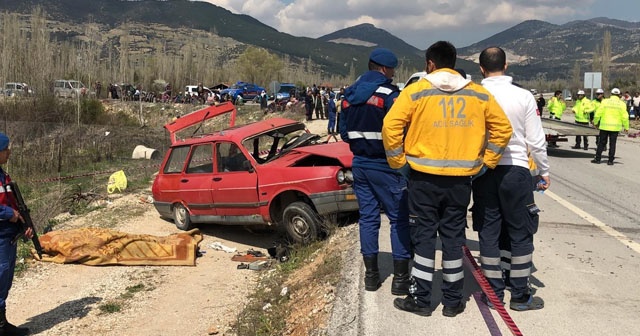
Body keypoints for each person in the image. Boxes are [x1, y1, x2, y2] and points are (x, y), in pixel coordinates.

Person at [383, 41, 512, 317]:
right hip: (460, 181)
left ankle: (421, 299)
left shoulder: (416, 92)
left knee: (424, 237)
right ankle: (453, 301)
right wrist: (486, 163)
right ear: (453, 63)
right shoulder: (478, 95)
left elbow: (391, 126)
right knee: (454, 238)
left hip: (422, 179)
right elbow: (503, 130)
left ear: (430, 64)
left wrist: (399, 163)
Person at [473, 46, 549, 312]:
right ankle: (519, 294)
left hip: (483, 171)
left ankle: (493, 292)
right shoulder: (523, 96)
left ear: (481, 69)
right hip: (516, 170)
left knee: (489, 230)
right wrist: (543, 171)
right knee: (520, 231)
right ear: (506, 66)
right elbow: (536, 140)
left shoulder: (475, 95)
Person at [339, 48, 412, 297]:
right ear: (383, 69)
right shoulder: (390, 95)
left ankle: (371, 276)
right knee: (398, 218)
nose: (392, 74)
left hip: (360, 164)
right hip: (386, 165)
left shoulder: (348, 95)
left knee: (368, 218)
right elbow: (402, 130)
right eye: (391, 70)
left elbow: (344, 133)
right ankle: (400, 279)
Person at [0, 133, 33, 336]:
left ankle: (2, 325)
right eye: (5, 149)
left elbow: (13, 202)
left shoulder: (3, 175)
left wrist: (23, 224)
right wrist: (8, 214)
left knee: (5, 279)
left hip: (8, 235)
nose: (9, 152)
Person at [591, 88, 629, 165]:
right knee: (612, 144)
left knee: (601, 143)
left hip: (604, 126)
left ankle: (598, 159)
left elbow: (598, 113)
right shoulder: (622, 104)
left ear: (611, 94)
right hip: (615, 128)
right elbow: (625, 116)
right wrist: (626, 127)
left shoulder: (605, 101)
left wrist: (595, 122)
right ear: (619, 95)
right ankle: (610, 161)